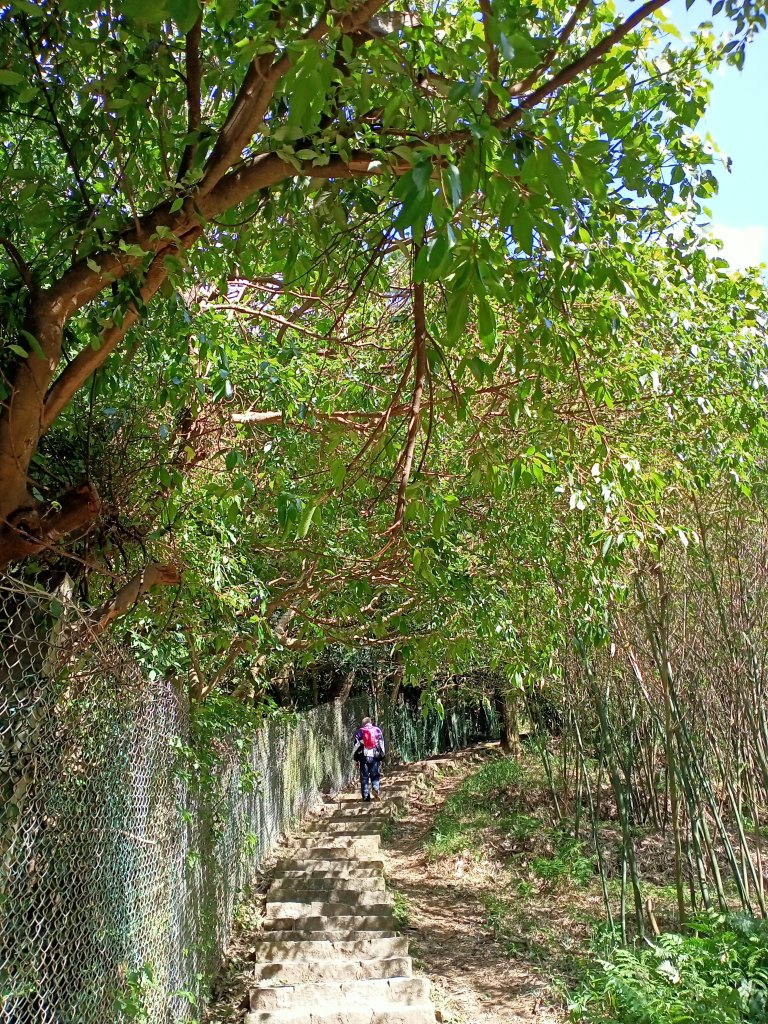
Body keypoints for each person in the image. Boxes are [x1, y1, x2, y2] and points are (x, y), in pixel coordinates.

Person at [352, 716, 385, 801]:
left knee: (364, 777)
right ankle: (375, 788)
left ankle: (366, 797)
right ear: (370, 722)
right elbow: (381, 744)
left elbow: (356, 746)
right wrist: (381, 756)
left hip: (363, 756)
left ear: (363, 724)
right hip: (374, 756)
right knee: (375, 774)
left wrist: (355, 758)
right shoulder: (377, 730)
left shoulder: (360, 731)